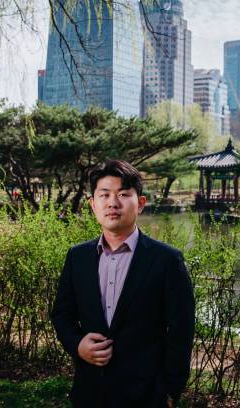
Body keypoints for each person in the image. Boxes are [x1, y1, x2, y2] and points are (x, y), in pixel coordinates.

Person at [51, 160, 195, 408]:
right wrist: (77, 345)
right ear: (93, 204)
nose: (113, 203)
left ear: (140, 203)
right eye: (104, 195)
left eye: (123, 194)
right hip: (90, 392)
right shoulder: (78, 257)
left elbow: (182, 330)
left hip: (146, 395)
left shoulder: (167, 260)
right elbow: (62, 314)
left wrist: (171, 390)